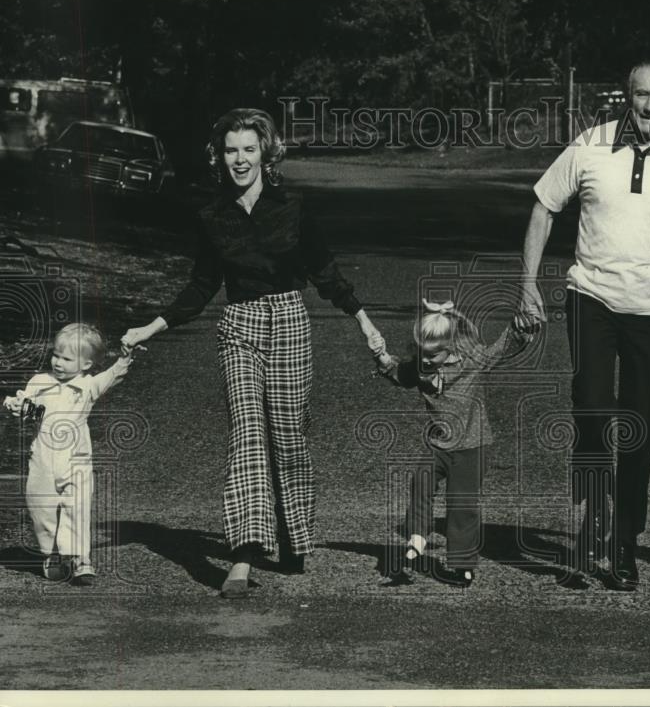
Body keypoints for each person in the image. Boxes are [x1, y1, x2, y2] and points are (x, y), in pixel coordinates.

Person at [121, 108, 385, 599]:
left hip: (289, 322)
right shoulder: (211, 214)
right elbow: (202, 285)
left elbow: (325, 271)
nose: (239, 159)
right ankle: (243, 555)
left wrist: (364, 320)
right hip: (238, 326)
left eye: (248, 149)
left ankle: (293, 532)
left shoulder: (293, 207)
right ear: (218, 158)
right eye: (230, 150)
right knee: (246, 432)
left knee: (287, 433)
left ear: (266, 151)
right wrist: (150, 328)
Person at [518, 60, 650, 590]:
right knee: (592, 407)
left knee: (645, 427)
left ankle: (623, 540)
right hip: (590, 297)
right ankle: (591, 518)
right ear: (627, 96)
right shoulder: (589, 145)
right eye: (641, 95)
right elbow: (544, 207)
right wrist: (527, 284)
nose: (649, 106)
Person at [370, 299, 529, 586]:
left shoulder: (473, 363)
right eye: (421, 353)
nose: (426, 359)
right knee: (421, 480)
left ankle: (463, 564)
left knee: (462, 504)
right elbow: (400, 374)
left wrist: (520, 326)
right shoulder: (421, 368)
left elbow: (501, 347)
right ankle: (417, 537)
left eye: (433, 354)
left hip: (472, 447)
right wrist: (383, 360)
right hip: (438, 444)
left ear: (452, 346)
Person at [4, 323, 133, 586]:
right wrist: (19, 407)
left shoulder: (88, 386)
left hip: (76, 459)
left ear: (86, 364)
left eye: (67, 358)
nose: (58, 362)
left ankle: (79, 557)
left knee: (77, 505)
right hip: (42, 455)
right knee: (42, 506)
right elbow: (31, 414)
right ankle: (52, 553)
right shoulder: (40, 382)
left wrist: (126, 356)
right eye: (56, 355)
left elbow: (113, 375)